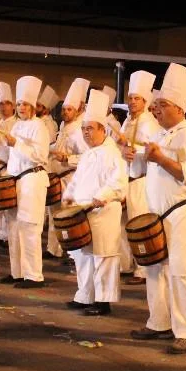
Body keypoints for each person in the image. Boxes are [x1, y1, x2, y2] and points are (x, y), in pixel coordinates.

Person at [130, 63, 186, 355]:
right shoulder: (163, 135)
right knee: (154, 271)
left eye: (162, 105)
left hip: (182, 212)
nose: (156, 110)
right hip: (160, 214)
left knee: (181, 272)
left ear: (179, 109)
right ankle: (158, 322)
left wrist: (160, 159)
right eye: (157, 105)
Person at [61, 89, 128, 315]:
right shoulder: (89, 154)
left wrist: (103, 196)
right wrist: (69, 195)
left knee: (103, 256)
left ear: (103, 130)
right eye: (83, 129)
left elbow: (119, 182)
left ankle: (103, 302)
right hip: (83, 212)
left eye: (90, 128)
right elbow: (77, 180)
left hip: (103, 212)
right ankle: (85, 296)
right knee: (83, 257)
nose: (86, 133)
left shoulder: (112, 153)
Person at [1, 76, 51, 288]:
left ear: (33, 107)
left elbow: (40, 155)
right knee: (14, 227)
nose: (21, 107)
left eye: (25, 104)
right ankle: (17, 272)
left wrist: (17, 144)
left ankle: (34, 275)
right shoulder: (16, 126)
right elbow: (11, 156)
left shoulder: (39, 127)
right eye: (19, 103)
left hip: (32, 179)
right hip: (16, 179)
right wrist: (1, 147)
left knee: (30, 227)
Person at [118, 71, 161, 285]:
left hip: (140, 180)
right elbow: (120, 145)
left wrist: (131, 149)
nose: (132, 102)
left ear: (145, 102)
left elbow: (153, 149)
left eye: (137, 98)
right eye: (130, 98)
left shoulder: (149, 123)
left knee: (138, 225)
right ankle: (125, 264)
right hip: (125, 180)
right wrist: (122, 148)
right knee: (122, 225)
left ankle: (142, 270)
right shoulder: (127, 121)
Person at [46, 79, 91, 259]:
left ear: (79, 109)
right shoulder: (64, 126)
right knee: (55, 215)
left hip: (71, 179)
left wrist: (67, 158)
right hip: (58, 177)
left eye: (69, 109)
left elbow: (87, 157)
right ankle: (54, 249)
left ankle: (72, 253)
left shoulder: (80, 130)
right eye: (64, 109)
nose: (65, 113)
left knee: (68, 217)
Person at [0, 82, 19, 248]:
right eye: (0, 104)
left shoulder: (17, 124)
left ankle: (9, 235)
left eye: (6, 104)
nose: (3, 107)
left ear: (12, 105)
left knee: (8, 203)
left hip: (9, 168)